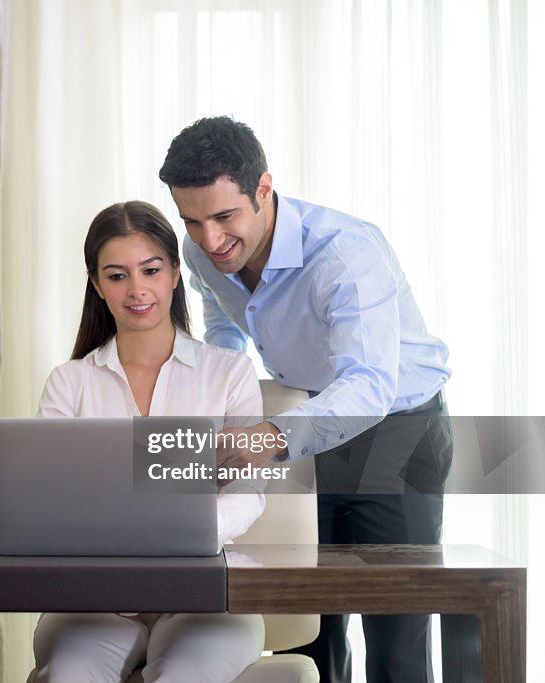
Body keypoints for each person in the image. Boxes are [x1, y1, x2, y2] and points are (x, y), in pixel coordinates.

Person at [158, 115, 453, 683]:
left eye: (224, 217)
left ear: (263, 189)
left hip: (396, 428)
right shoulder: (202, 251)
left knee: (395, 626)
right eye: (192, 221)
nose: (210, 240)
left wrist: (268, 437)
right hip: (305, 419)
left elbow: (369, 385)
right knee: (311, 621)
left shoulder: (344, 254)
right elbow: (223, 315)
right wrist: (225, 382)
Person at [32, 200, 266, 683]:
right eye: (117, 276)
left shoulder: (229, 373)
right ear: (97, 285)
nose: (137, 290)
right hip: (95, 600)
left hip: (205, 597)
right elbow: (47, 503)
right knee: (68, 677)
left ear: (176, 274)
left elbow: (247, 491)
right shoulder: (69, 383)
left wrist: (181, 537)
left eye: (151, 270)